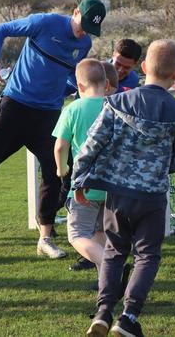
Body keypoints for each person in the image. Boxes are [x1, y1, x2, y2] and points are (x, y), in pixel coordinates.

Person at [0, 0, 107, 259]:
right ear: (74, 12)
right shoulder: (45, 23)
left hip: (48, 114)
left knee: (56, 173)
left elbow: (70, 79)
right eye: (82, 24)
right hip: (15, 106)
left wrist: (66, 91)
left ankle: (45, 238)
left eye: (89, 29)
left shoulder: (84, 43)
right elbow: (0, 30)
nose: (83, 32)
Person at [73, 40, 175, 337]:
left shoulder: (116, 103)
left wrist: (78, 181)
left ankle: (102, 312)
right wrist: (158, 168)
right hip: (152, 198)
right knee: (146, 256)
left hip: (117, 196)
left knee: (113, 252)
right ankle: (129, 316)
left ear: (143, 67)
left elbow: (91, 145)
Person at [53, 60, 118, 281]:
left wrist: (62, 171)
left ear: (79, 86)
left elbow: (60, 146)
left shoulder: (72, 109)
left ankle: (109, 266)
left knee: (77, 235)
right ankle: (107, 284)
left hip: (85, 185)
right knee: (100, 233)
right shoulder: (116, 106)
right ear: (107, 83)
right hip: (113, 184)